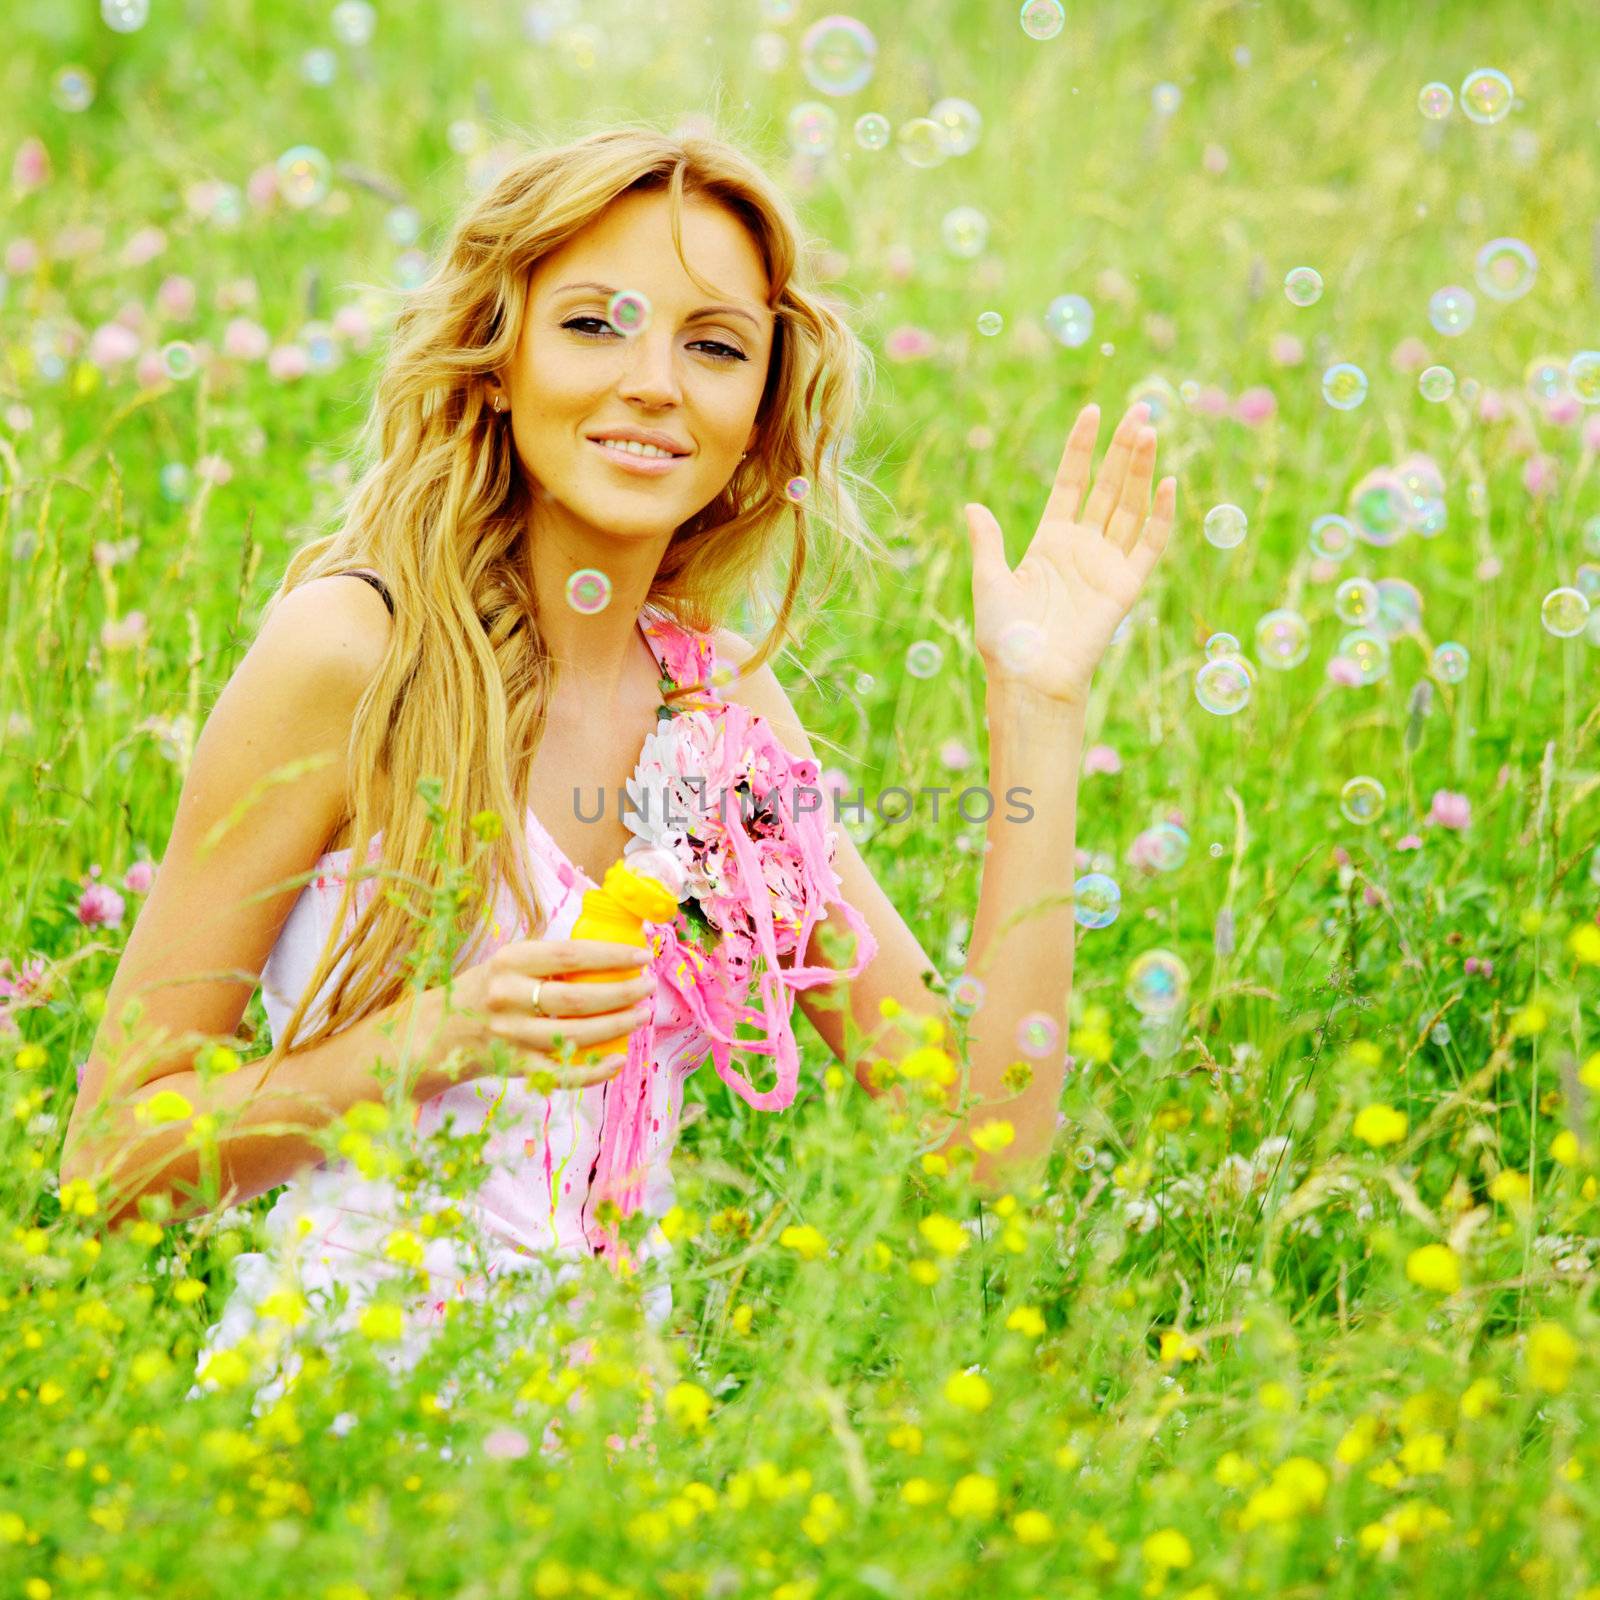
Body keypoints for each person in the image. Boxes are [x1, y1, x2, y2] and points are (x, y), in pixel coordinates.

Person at [59, 122, 1175, 1405]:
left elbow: (978, 1141)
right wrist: (439, 1035)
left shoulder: (720, 708)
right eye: (596, 324)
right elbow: (107, 1159)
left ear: (757, 415)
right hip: (325, 1439)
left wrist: (1039, 704)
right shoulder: (353, 655)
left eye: (712, 345)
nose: (654, 381)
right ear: (495, 359)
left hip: (595, 1482)